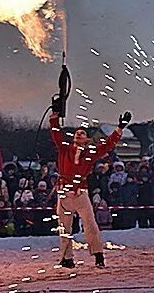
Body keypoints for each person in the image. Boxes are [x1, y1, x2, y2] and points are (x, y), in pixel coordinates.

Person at [49, 104, 129, 268]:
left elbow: (108, 144)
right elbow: (55, 132)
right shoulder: (64, 149)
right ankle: (66, 258)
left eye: (82, 133)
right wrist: (55, 115)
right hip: (64, 192)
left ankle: (98, 254)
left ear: (86, 139)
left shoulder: (90, 152)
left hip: (80, 193)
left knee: (90, 224)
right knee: (64, 227)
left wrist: (119, 128)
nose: (79, 134)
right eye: (77, 133)